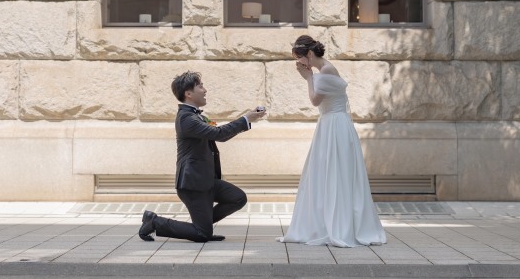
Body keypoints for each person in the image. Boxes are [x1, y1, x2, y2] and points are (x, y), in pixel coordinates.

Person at [277, 35, 386, 247]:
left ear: (309, 54)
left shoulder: (325, 70)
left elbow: (315, 100)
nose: (299, 63)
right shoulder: (324, 70)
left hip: (334, 126)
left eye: (300, 58)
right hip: (329, 124)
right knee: (326, 173)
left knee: (337, 173)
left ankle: (339, 227)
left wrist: (307, 78)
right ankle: (325, 223)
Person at [138, 71, 267, 243]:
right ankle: (154, 221)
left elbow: (219, 134)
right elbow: (219, 134)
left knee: (237, 198)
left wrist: (248, 120)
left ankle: (202, 223)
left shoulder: (195, 116)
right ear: (188, 93)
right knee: (202, 235)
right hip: (192, 183)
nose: (205, 90)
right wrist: (245, 119)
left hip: (205, 179)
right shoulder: (186, 118)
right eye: (200, 86)